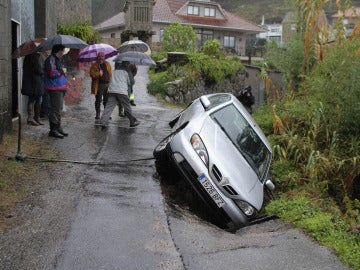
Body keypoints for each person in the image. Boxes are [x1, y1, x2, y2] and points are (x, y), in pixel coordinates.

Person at [100, 61, 140, 128]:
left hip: (112, 91)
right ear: (127, 64)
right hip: (122, 92)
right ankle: (132, 122)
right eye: (128, 63)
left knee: (109, 107)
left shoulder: (114, 71)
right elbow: (131, 83)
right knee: (127, 107)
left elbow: (111, 79)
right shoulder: (127, 71)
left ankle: (103, 122)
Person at [43, 44, 68, 139]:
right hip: (54, 88)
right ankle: (53, 129)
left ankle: (58, 127)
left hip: (60, 87)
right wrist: (62, 71)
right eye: (63, 51)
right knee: (55, 109)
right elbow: (51, 73)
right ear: (59, 51)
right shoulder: (51, 60)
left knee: (59, 108)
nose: (63, 53)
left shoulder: (57, 60)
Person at [21, 52, 45, 126]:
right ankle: (33, 118)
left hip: (32, 82)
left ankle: (32, 118)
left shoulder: (27, 57)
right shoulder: (34, 57)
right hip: (35, 82)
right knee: (37, 99)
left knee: (32, 99)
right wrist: (43, 72)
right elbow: (38, 70)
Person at [90, 52, 112, 119]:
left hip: (107, 84)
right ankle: (98, 114)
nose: (101, 57)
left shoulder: (107, 64)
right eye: (99, 56)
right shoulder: (94, 65)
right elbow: (92, 74)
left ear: (104, 57)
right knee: (98, 100)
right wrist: (98, 74)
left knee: (106, 100)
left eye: (102, 56)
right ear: (97, 57)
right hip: (98, 85)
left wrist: (110, 82)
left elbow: (110, 73)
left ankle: (106, 114)